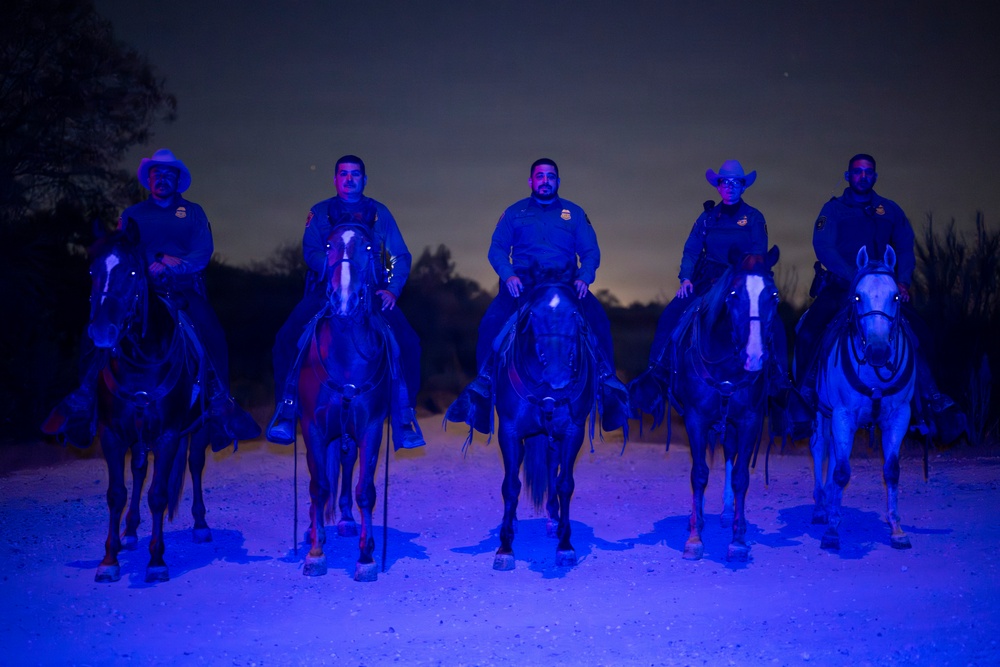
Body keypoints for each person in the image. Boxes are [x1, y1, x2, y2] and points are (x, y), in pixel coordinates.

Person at [42, 148, 260, 448]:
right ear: (150, 179)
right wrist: (148, 263)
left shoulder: (192, 212)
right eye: (157, 174)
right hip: (136, 288)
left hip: (182, 287)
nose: (162, 179)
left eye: (168, 174)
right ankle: (85, 398)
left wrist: (173, 264)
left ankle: (220, 401)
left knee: (211, 330)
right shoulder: (132, 214)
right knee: (97, 329)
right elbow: (119, 249)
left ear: (177, 180)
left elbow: (202, 252)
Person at [447, 158, 628, 430]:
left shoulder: (574, 213)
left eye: (550, 176)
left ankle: (606, 384)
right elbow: (497, 249)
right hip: (523, 283)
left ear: (558, 181)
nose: (545, 181)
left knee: (599, 320)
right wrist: (508, 275)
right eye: (540, 176)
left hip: (566, 283)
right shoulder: (514, 213)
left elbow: (590, 251)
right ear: (531, 181)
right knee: (490, 323)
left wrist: (584, 277)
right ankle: (484, 386)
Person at [795, 153, 965, 441]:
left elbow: (905, 246)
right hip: (842, 286)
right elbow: (823, 247)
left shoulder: (890, 210)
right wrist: (854, 276)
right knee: (809, 330)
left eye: (868, 172)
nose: (863, 176)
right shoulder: (833, 210)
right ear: (848, 176)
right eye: (857, 172)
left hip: (884, 290)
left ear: (874, 176)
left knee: (918, 332)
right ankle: (805, 395)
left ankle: (932, 397)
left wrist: (903, 281)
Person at [266, 155, 424, 449]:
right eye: (343, 174)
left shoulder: (379, 213)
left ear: (364, 179)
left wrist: (392, 290)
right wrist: (336, 270)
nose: (349, 179)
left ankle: (405, 413)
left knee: (409, 342)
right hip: (326, 289)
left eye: (355, 174)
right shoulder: (320, 212)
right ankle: (285, 409)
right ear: (335, 179)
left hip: (371, 293)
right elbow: (311, 250)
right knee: (286, 338)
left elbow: (400, 255)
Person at [631, 160, 791, 415]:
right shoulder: (707, 218)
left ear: (743, 186)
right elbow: (691, 250)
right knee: (671, 314)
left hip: (741, 280)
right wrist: (685, 278)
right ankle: (657, 374)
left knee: (775, 323)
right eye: (725, 182)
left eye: (735, 183)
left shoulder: (754, 218)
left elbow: (758, 253)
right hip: (707, 281)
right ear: (718, 187)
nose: (730, 187)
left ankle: (780, 380)